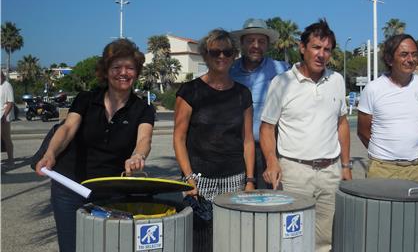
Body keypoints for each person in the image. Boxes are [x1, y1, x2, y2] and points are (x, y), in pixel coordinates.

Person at [35, 38, 155, 252]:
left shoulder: (143, 109)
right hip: (69, 186)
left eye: (130, 68)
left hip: (109, 190)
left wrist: (138, 156)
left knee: (109, 245)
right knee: (71, 245)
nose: (123, 73)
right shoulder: (86, 99)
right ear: (106, 70)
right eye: (117, 67)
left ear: (137, 72)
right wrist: (51, 153)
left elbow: (144, 139)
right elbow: (68, 128)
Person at [260, 18, 352, 252]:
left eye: (327, 49)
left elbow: (342, 123)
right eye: (316, 47)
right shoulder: (281, 83)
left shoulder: (337, 80)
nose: (322, 54)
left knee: (325, 240)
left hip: (330, 173)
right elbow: (267, 128)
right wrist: (272, 160)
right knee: (290, 237)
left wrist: (346, 165)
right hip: (294, 174)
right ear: (302, 48)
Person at [173, 29, 255, 252]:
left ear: (234, 55)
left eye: (227, 52)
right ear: (205, 55)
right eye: (215, 52)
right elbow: (179, 138)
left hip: (235, 181)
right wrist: (188, 178)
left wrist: (249, 180)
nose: (221, 57)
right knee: (201, 243)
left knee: (233, 241)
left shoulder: (242, 94)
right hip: (199, 182)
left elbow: (248, 140)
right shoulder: (190, 91)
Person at [357, 34, 418, 183]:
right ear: (389, 59)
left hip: (416, 168)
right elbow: (362, 131)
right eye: (404, 54)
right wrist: (385, 154)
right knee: (379, 207)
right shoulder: (373, 89)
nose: (411, 59)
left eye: (414, 54)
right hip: (381, 169)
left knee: (416, 207)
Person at [229, 18, 289, 189]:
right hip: (237, 150)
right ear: (241, 44)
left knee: (268, 201)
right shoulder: (229, 71)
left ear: (267, 45)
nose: (256, 45)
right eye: (250, 41)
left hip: (270, 150)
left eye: (261, 41)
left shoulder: (282, 70)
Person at [1, 71, 15, 166]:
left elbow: (10, 102)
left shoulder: (7, 85)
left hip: (3, 116)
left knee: (6, 138)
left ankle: (11, 161)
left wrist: (4, 116)